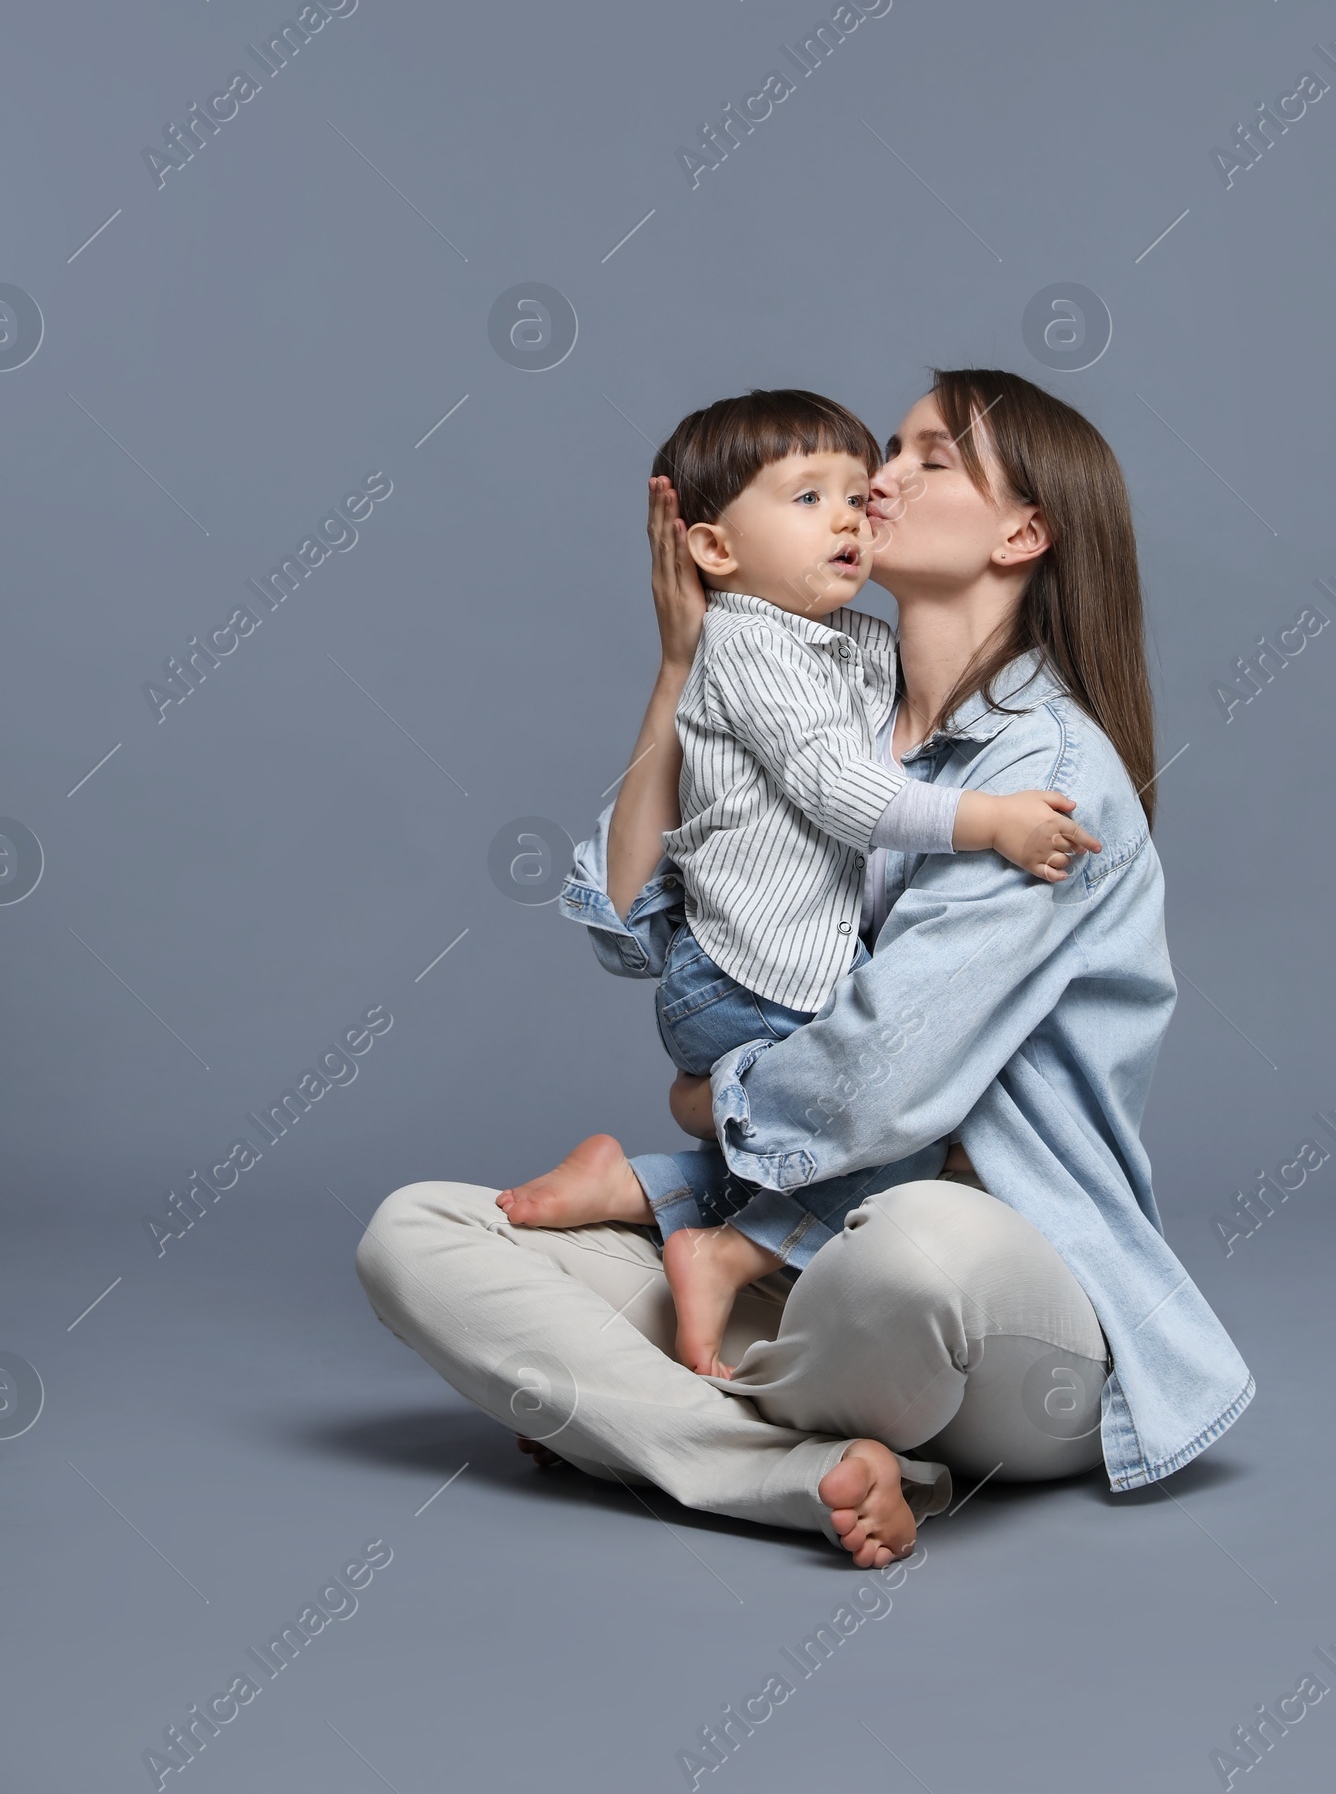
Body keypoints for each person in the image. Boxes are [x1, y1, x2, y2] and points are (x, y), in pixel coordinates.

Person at [357, 369, 1253, 1570]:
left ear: (1022, 533)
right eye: (884, 448)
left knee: (915, 1249)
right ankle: (799, 1470)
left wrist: (694, 1129)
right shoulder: (822, 694)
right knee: (417, 1236)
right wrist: (680, 672)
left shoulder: (1044, 779)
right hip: (805, 1247)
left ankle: (635, 1411)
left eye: (929, 460)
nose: (877, 480)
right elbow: (626, 926)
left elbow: (871, 1088)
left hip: (992, 1283)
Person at [494, 387, 1100, 1373]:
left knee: (906, 1163)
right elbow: (648, 899)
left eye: (864, 490)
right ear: (715, 552)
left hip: (796, 998)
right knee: (903, 1147)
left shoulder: (877, 658)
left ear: (1023, 532)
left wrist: (717, 1099)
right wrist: (985, 824)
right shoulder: (747, 643)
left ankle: (649, 1193)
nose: (865, 507)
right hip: (743, 981)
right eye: (811, 498)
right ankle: (724, 1257)